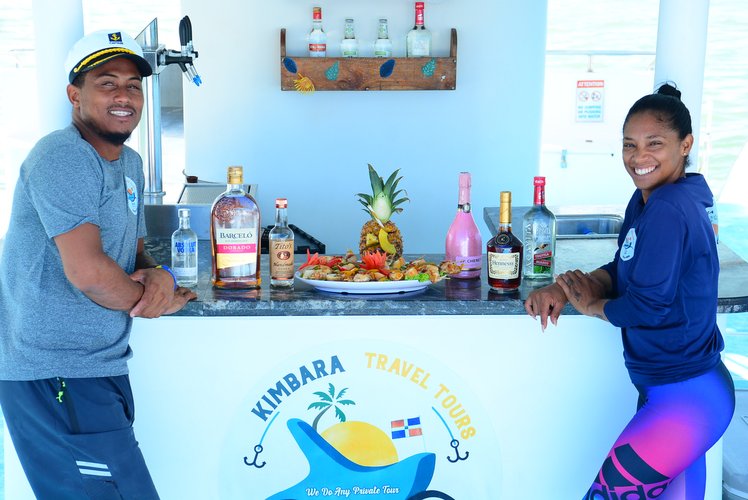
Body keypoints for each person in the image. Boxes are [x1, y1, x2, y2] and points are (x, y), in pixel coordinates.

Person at [0, 30, 196, 498]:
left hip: (97, 366)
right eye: (107, 83)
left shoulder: (129, 163)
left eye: (132, 85)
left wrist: (159, 273)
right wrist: (156, 300)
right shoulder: (63, 156)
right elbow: (90, 273)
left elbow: (134, 252)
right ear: (75, 95)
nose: (124, 96)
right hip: (55, 370)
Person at [525, 83, 735, 499]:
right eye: (629, 145)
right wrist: (567, 288)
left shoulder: (669, 208)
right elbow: (624, 269)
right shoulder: (649, 201)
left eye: (654, 143)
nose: (639, 157)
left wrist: (593, 305)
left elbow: (647, 307)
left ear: (686, 144)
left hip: (685, 401)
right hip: (686, 393)